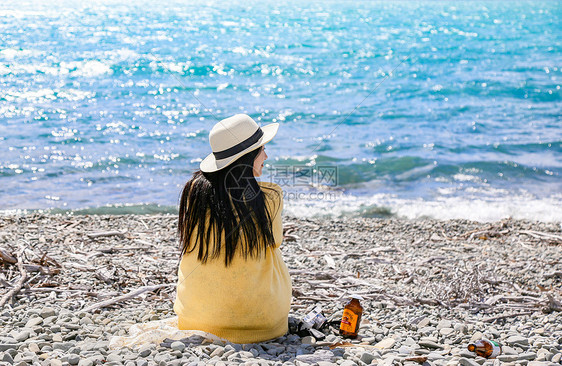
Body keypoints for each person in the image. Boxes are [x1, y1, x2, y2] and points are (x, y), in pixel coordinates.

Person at [174, 114, 292, 344]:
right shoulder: (270, 196)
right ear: (247, 157)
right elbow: (275, 241)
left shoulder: (193, 193)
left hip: (196, 318)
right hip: (264, 323)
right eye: (262, 149)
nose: (266, 156)